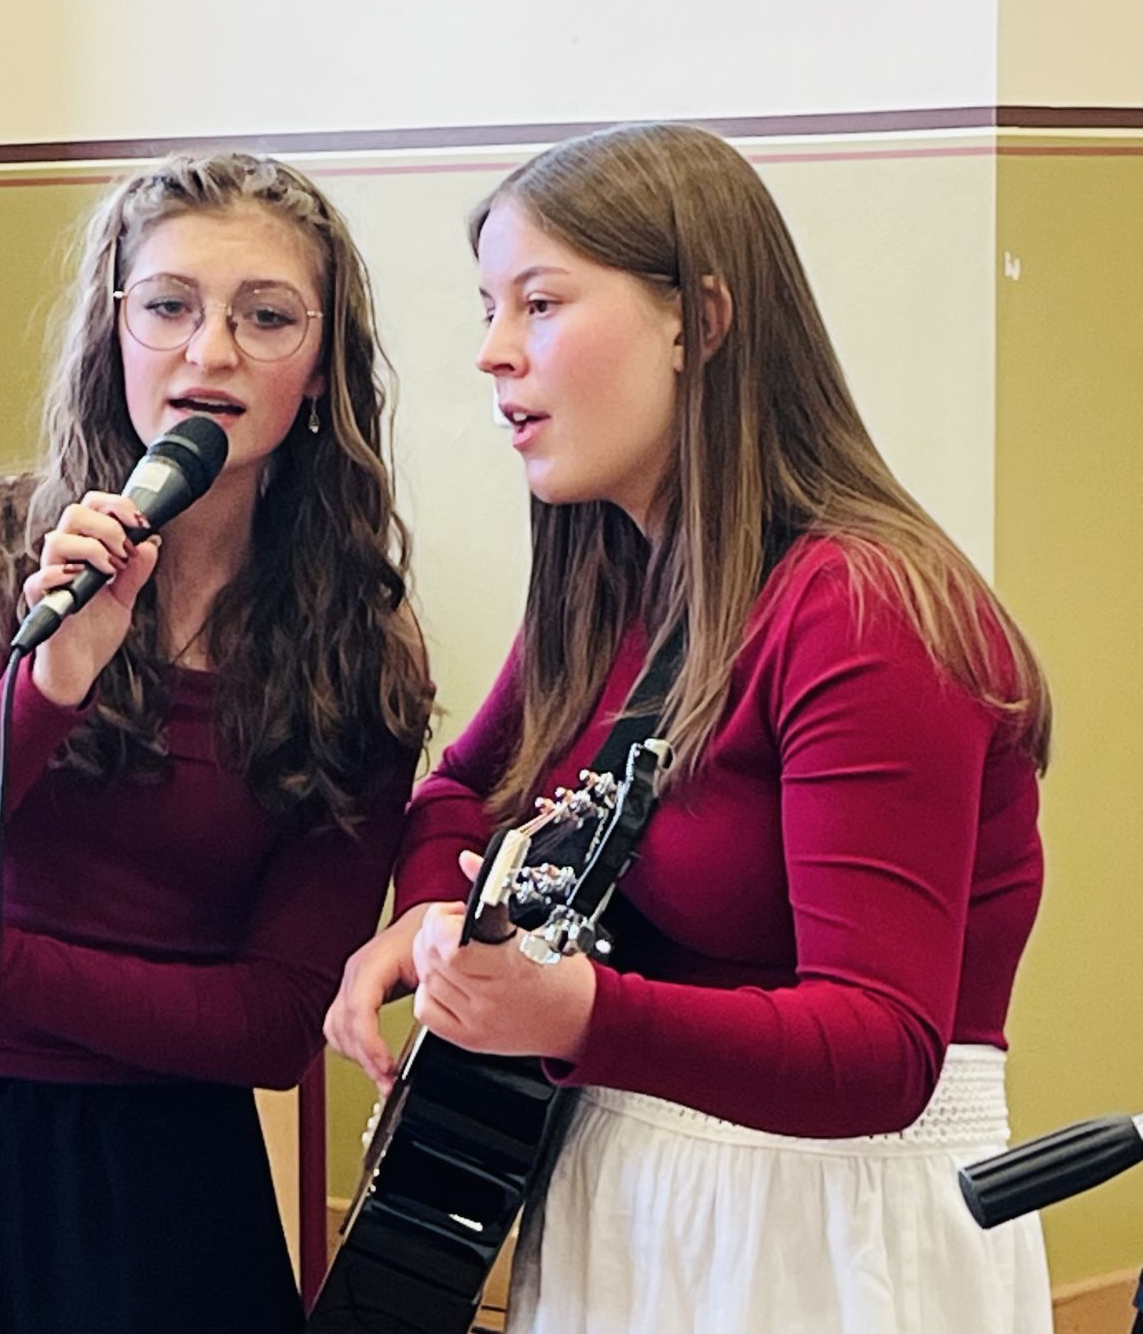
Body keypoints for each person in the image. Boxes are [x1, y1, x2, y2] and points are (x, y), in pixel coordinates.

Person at [324, 122, 1053, 1334]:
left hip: (825, 1233)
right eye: (489, 309)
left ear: (699, 322)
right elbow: (460, 794)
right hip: (638, 1197)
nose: (492, 351)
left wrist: (579, 1015)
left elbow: (882, 1047)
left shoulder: (864, 611)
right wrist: (430, 915)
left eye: (540, 303)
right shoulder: (613, 580)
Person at [0, 151, 434, 1333]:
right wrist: (50, 684)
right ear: (113, 332)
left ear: (322, 366)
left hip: (172, 1189)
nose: (209, 352)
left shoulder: (359, 642)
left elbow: (276, 1023)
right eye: (169, 306)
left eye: (266, 317)